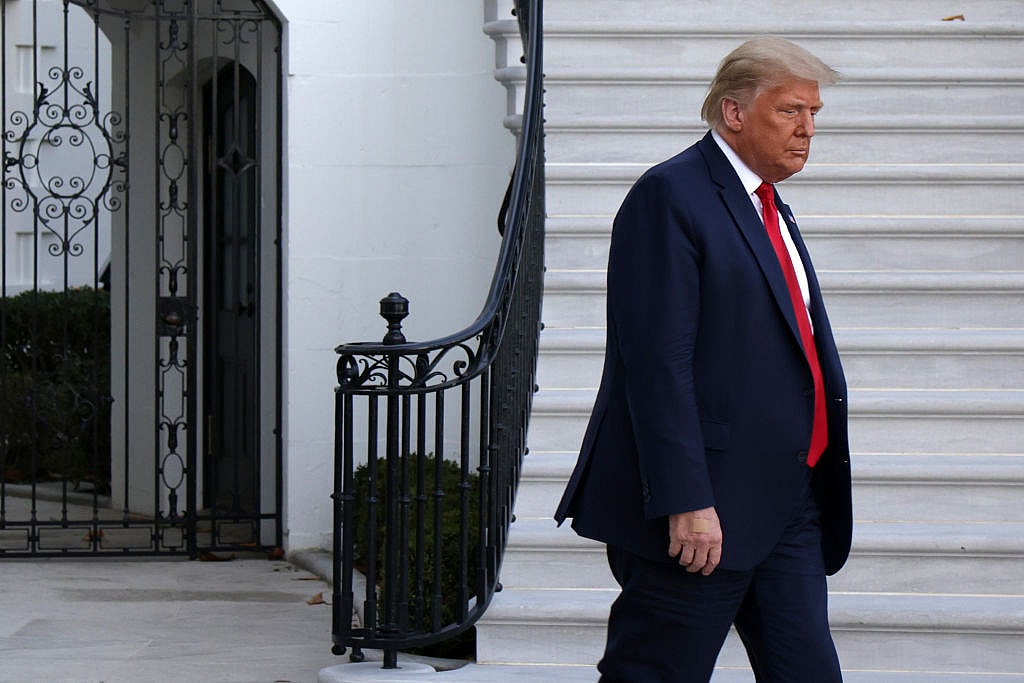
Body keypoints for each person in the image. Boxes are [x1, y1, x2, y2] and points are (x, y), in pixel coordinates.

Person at [554, 37, 853, 682]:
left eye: (813, 113)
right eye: (789, 110)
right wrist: (686, 499)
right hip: (702, 513)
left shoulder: (766, 201)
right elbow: (657, 365)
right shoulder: (671, 195)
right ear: (733, 112)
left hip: (788, 500)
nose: (807, 130)